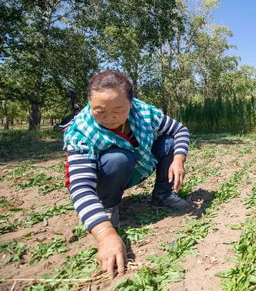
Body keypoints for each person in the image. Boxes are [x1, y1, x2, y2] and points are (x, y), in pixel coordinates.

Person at [63, 70, 192, 278]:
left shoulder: (144, 113)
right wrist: (105, 234)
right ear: (90, 104)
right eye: (99, 110)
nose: (109, 118)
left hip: (137, 166)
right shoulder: (80, 131)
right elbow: (81, 186)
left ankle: (163, 195)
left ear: (131, 104)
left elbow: (180, 130)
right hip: (107, 174)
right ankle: (107, 207)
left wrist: (178, 159)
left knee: (169, 142)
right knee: (118, 158)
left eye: (118, 110)